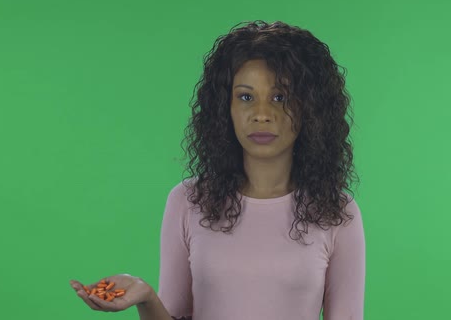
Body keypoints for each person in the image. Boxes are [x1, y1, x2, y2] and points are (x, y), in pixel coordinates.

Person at [70, 20, 365, 320]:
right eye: (246, 97)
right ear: (226, 108)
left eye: (280, 97)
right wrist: (145, 296)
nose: (262, 114)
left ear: (310, 108)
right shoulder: (187, 201)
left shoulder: (337, 212)